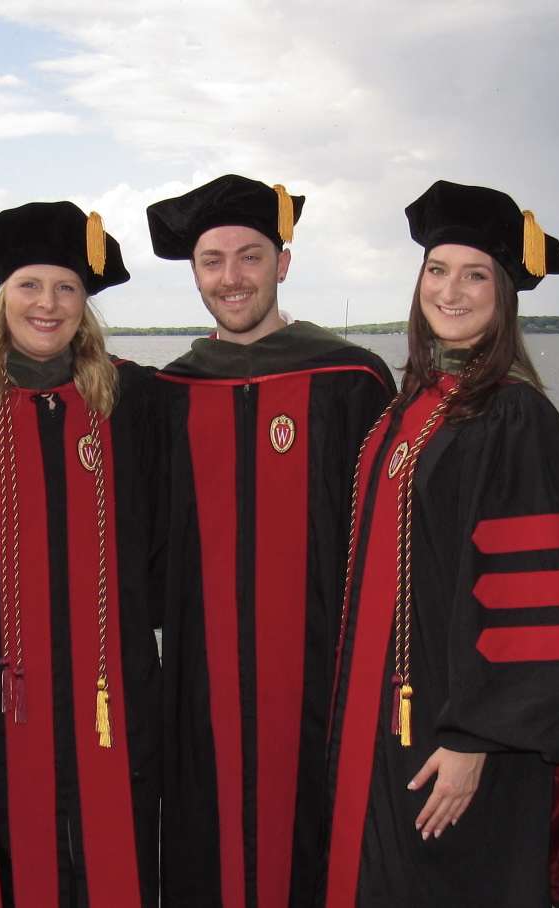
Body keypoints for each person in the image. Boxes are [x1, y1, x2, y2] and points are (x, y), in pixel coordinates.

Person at [322, 180, 559, 908]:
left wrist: (476, 740)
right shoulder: (409, 407)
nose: (451, 291)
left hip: (458, 742)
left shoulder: (516, 418)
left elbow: (539, 599)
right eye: (437, 270)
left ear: (504, 294)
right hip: (386, 726)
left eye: (475, 274)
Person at [147, 174, 395, 907]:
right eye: (213, 261)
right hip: (202, 686)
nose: (232, 277)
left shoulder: (352, 381)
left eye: (251, 257)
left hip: (322, 682)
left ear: (282, 263)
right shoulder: (169, 394)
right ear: (193, 273)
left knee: (319, 857)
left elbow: (391, 548)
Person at [0, 201, 162, 908]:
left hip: (111, 687)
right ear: (2, 296)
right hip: (0, 691)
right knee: (7, 856)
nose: (48, 304)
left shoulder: (135, 397)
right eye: (30, 285)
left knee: (117, 851)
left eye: (66, 288)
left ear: (85, 304)